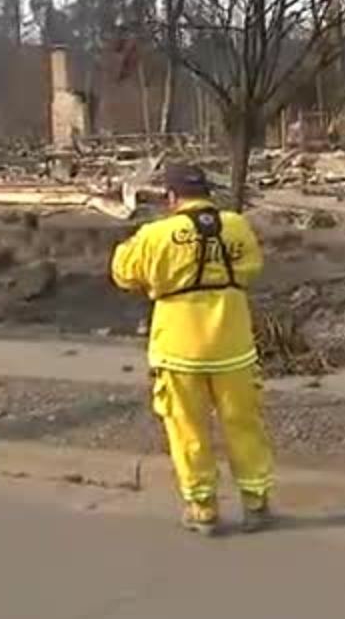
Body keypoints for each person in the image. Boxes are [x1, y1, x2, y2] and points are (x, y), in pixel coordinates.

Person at [111, 164, 274, 535]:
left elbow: (123, 272)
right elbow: (251, 269)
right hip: (233, 344)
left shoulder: (156, 233)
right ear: (207, 194)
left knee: (187, 428)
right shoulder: (237, 226)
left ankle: (202, 508)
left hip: (178, 347)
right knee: (244, 424)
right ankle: (256, 502)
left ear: (171, 197)